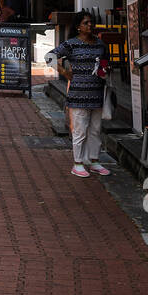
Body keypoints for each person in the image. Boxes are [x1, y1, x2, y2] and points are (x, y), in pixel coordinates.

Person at [55, 10, 110, 179]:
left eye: (91, 22)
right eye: (86, 23)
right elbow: (50, 56)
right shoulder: (71, 44)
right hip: (78, 94)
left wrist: (105, 70)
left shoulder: (100, 44)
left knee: (95, 130)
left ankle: (94, 160)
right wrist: (64, 72)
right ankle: (77, 163)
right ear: (78, 27)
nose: (90, 25)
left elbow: (107, 63)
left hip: (97, 93)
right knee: (80, 131)